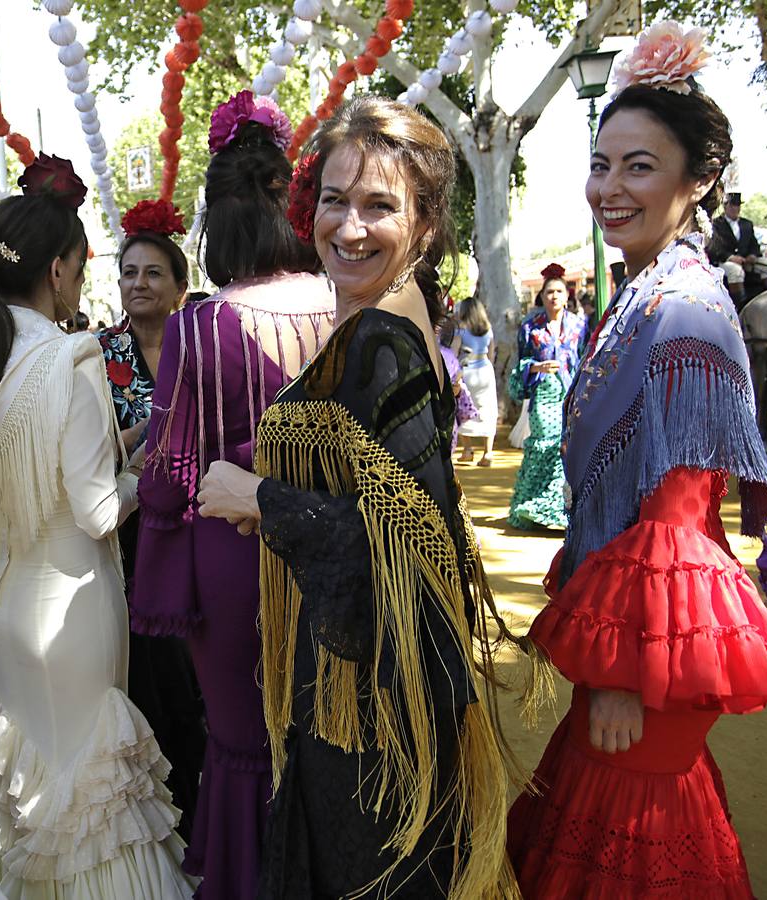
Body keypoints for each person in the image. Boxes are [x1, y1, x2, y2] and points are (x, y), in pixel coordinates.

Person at [195, 94, 525, 900]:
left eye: (379, 206)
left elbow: (407, 543)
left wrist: (258, 496)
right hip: (360, 686)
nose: (348, 227)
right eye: (336, 200)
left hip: (376, 706)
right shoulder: (371, 321)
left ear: (424, 222)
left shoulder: (384, 339)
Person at [507, 24, 767, 897]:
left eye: (638, 166)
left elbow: (670, 512)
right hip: (638, 632)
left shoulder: (682, 311)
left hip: (650, 650)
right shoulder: (650, 290)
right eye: (601, 163)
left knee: (630, 843)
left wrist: (624, 675)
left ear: (698, 182)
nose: (608, 188)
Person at [0, 153, 193, 899]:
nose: (81, 287)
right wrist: (150, 473)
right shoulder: (71, 354)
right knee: (91, 797)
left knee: (33, 791)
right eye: (79, 271)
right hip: (70, 603)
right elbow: (98, 509)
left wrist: (114, 448)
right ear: (55, 271)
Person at [132, 91, 335, 900]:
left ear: (213, 222)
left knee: (242, 744)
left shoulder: (196, 327)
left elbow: (167, 473)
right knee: (328, 735)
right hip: (332, 546)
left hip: (229, 563)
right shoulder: (348, 308)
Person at [102, 198, 206, 841]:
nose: (138, 285)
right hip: (127, 529)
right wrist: (147, 429)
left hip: (197, 522)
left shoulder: (203, 344)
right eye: (129, 274)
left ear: (179, 285)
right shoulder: (95, 351)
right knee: (145, 668)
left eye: (152, 274)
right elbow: (91, 445)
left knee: (194, 666)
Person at [508, 264, 586, 530]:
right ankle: (541, 508)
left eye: (558, 291)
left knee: (568, 446)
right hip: (544, 393)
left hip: (571, 393)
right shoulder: (530, 327)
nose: (553, 296)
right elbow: (520, 364)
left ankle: (560, 509)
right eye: (549, 291)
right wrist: (536, 367)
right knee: (548, 444)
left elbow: (586, 358)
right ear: (541, 296)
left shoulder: (579, 325)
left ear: (567, 295)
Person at [707, 191, 767, 306]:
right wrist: (731, 257)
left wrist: (753, 255)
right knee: (736, 271)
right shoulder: (716, 224)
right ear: (725, 206)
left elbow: (754, 245)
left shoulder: (747, 224)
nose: (736, 208)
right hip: (726, 261)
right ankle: (740, 306)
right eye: (732, 205)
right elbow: (713, 248)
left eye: (738, 205)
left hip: (747, 260)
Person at [453, 296, 498, 465]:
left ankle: (467, 449)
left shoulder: (461, 331)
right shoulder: (488, 330)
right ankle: (487, 453)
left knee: (464, 408)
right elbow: (492, 354)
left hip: (467, 371)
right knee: (488, 410)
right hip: (485, 370)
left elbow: (455, 352)